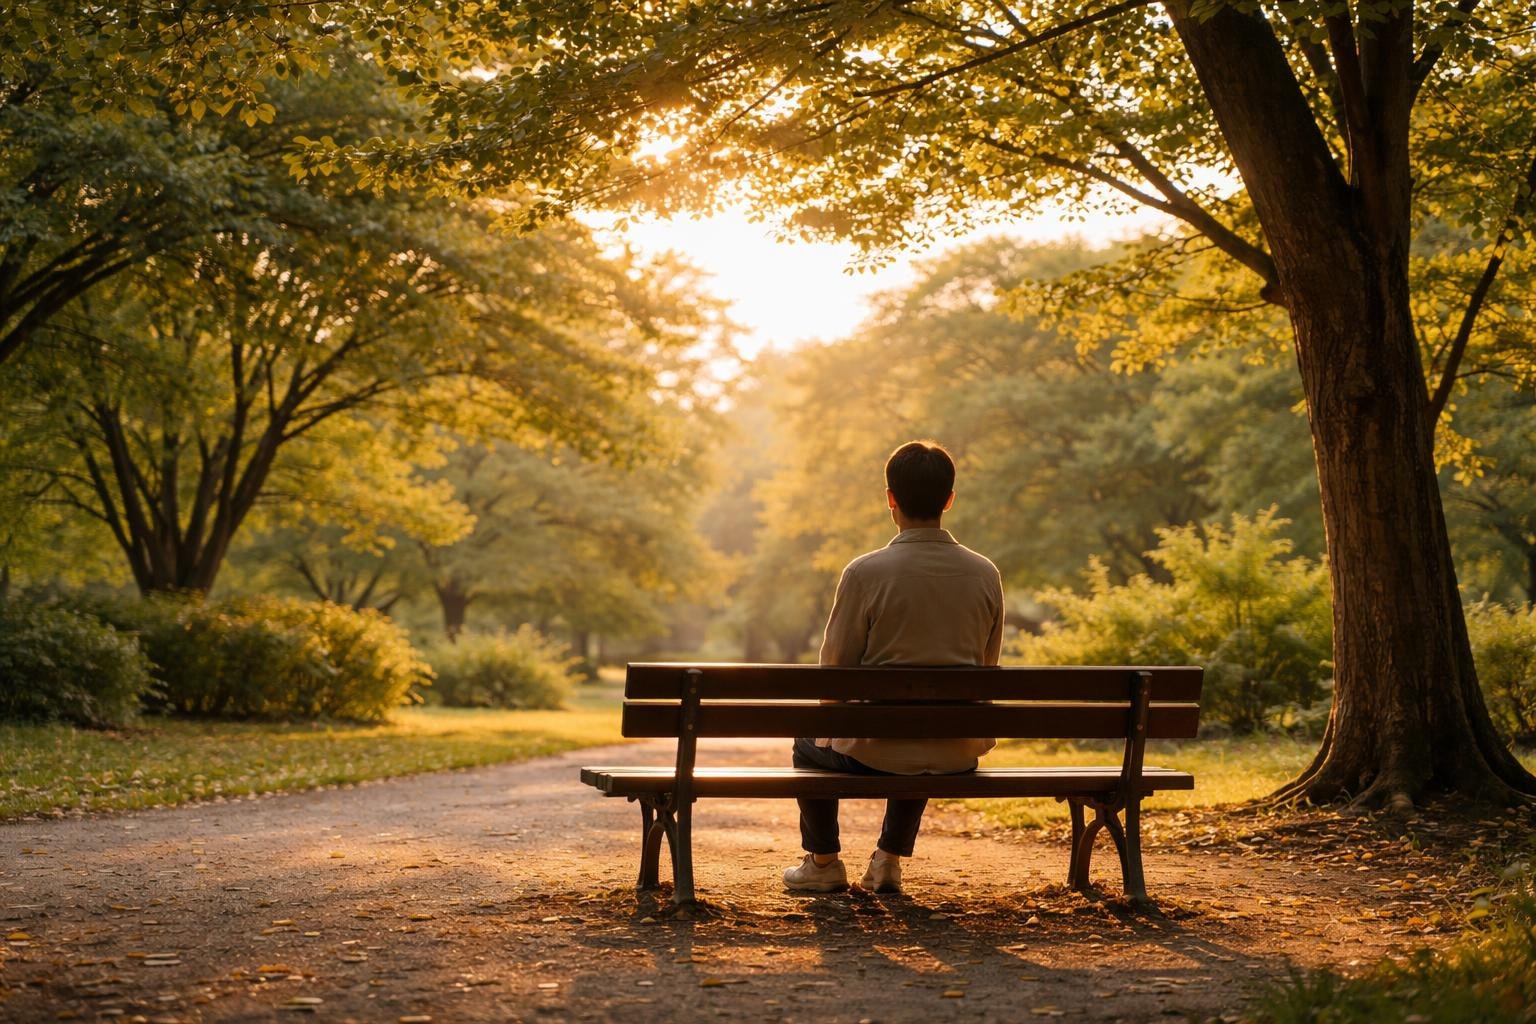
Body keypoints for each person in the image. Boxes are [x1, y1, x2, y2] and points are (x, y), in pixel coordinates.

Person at [783, 440, 1005, 894]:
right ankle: (888, 859)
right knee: (928, 723)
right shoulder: (985, 574)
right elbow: (987, 665)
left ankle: (823, 861)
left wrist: (836, 724)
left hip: (874, 754)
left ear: (890, 497)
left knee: (807, 742)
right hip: (955, 752)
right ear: (948, 500)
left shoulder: (865, 572)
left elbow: (835, 672)